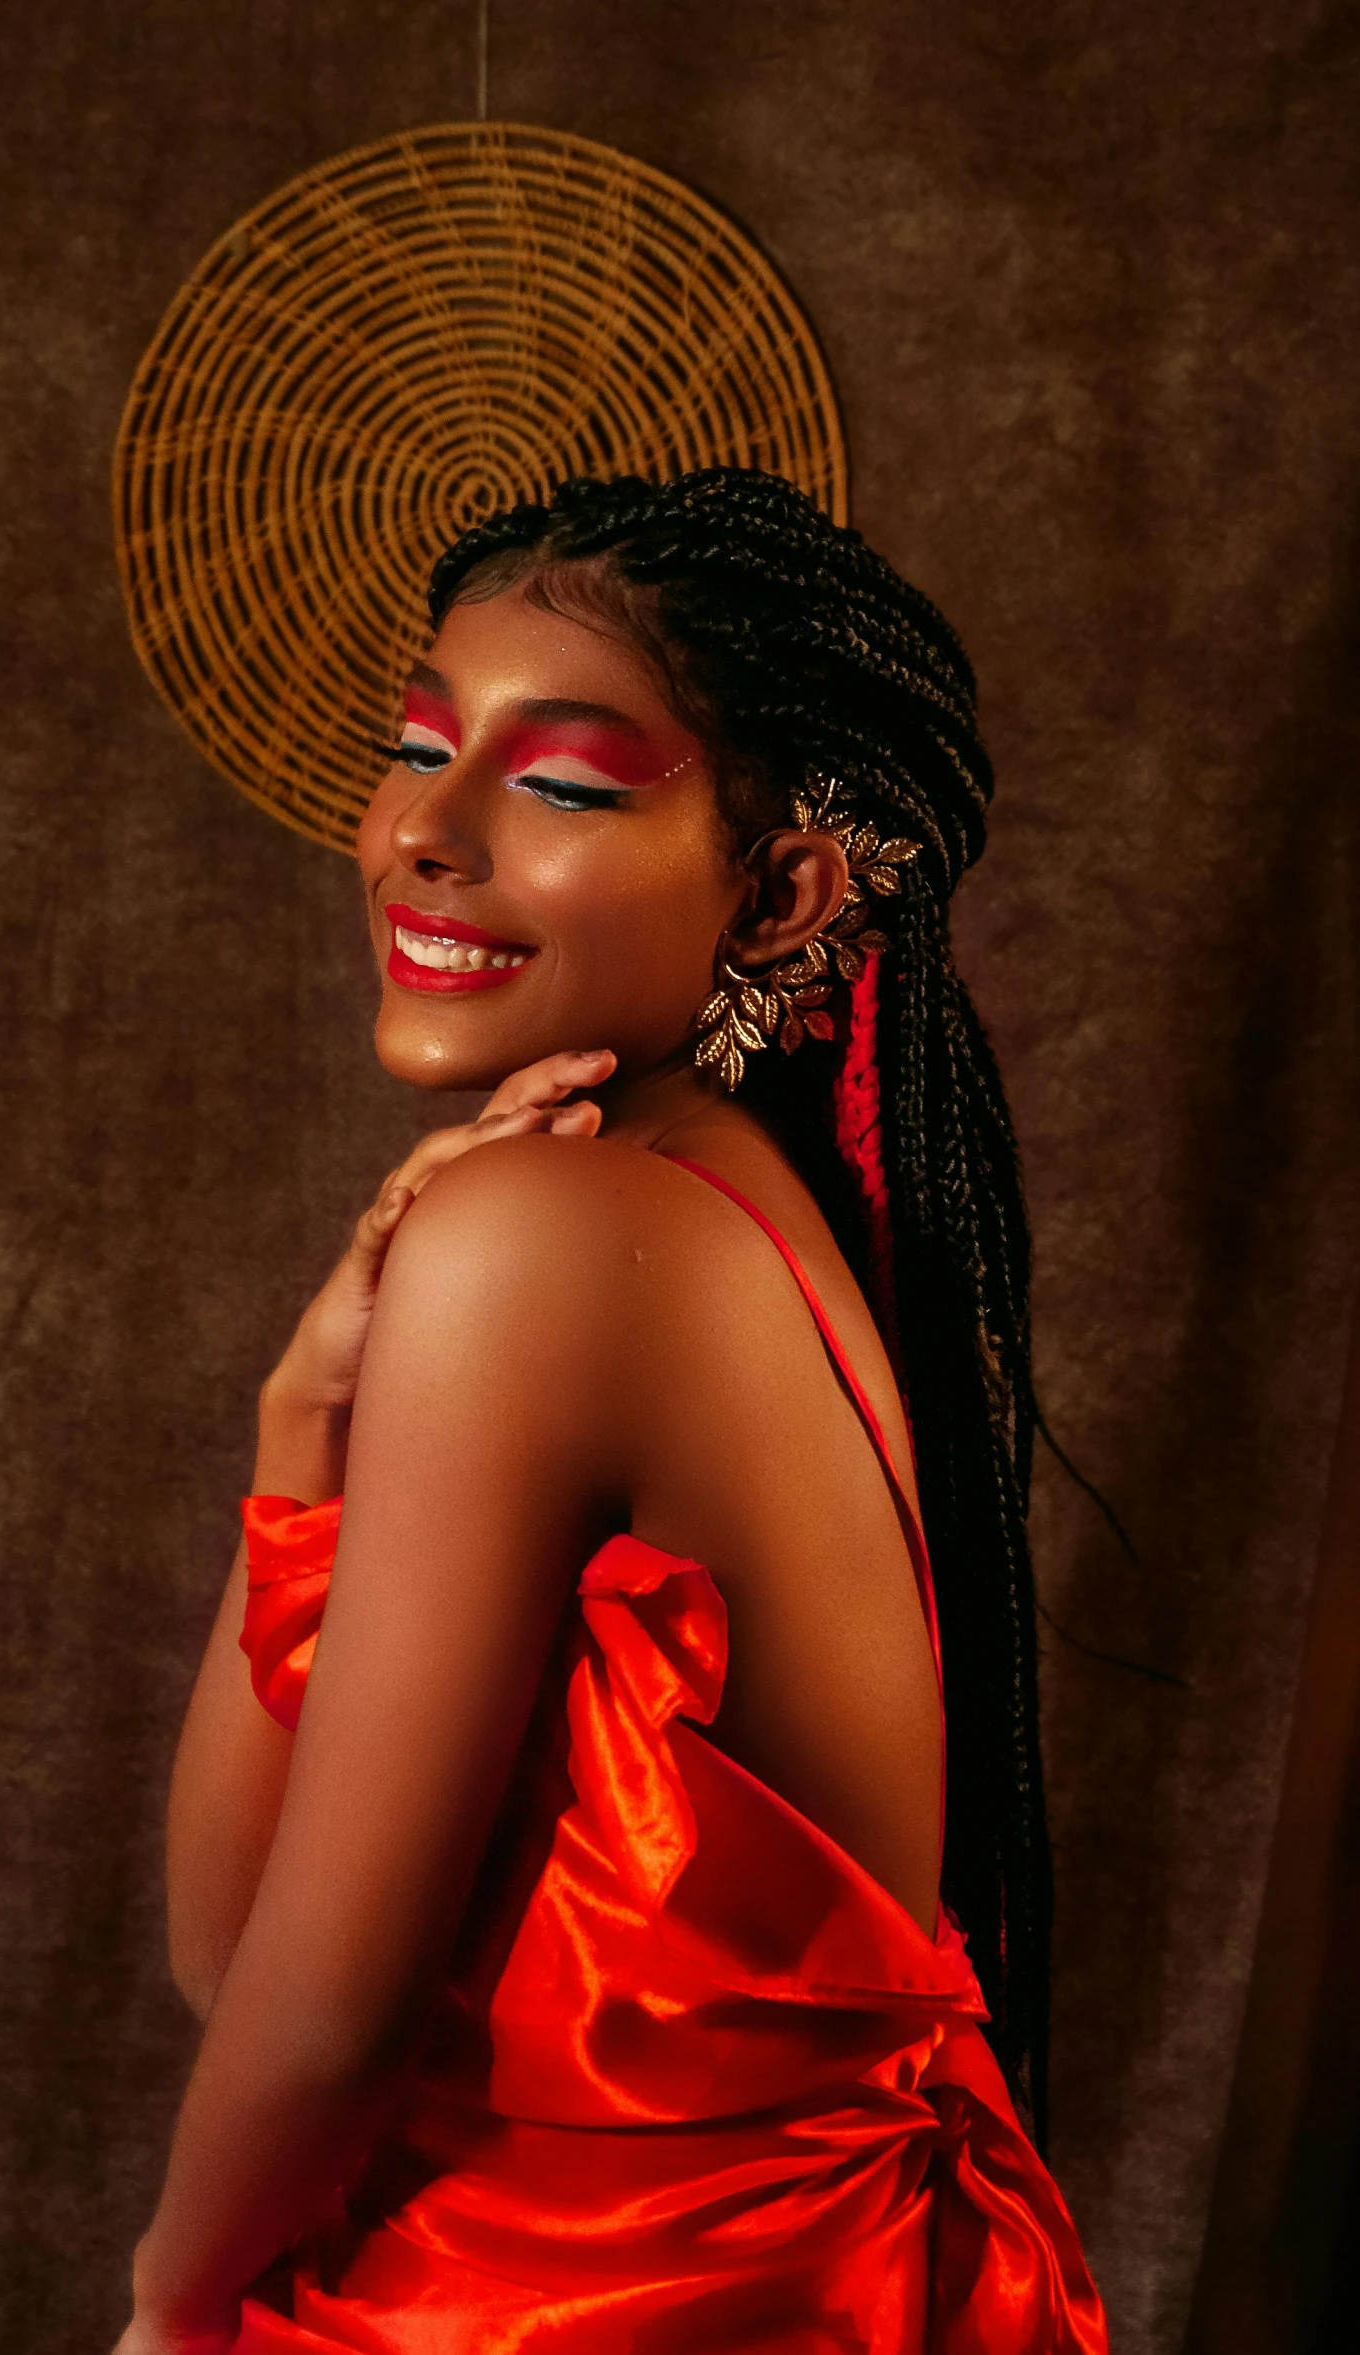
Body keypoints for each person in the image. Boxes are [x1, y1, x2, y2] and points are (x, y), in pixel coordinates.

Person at [113, 471, 1108, 2353]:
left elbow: (313, 2010)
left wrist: (167, 2304)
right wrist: (294, 1431)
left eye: (562, 782)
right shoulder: (689, 1206)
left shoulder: (551, 1237)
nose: (424, 830)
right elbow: (226, 1959)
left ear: (782, 890)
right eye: (420, 745)